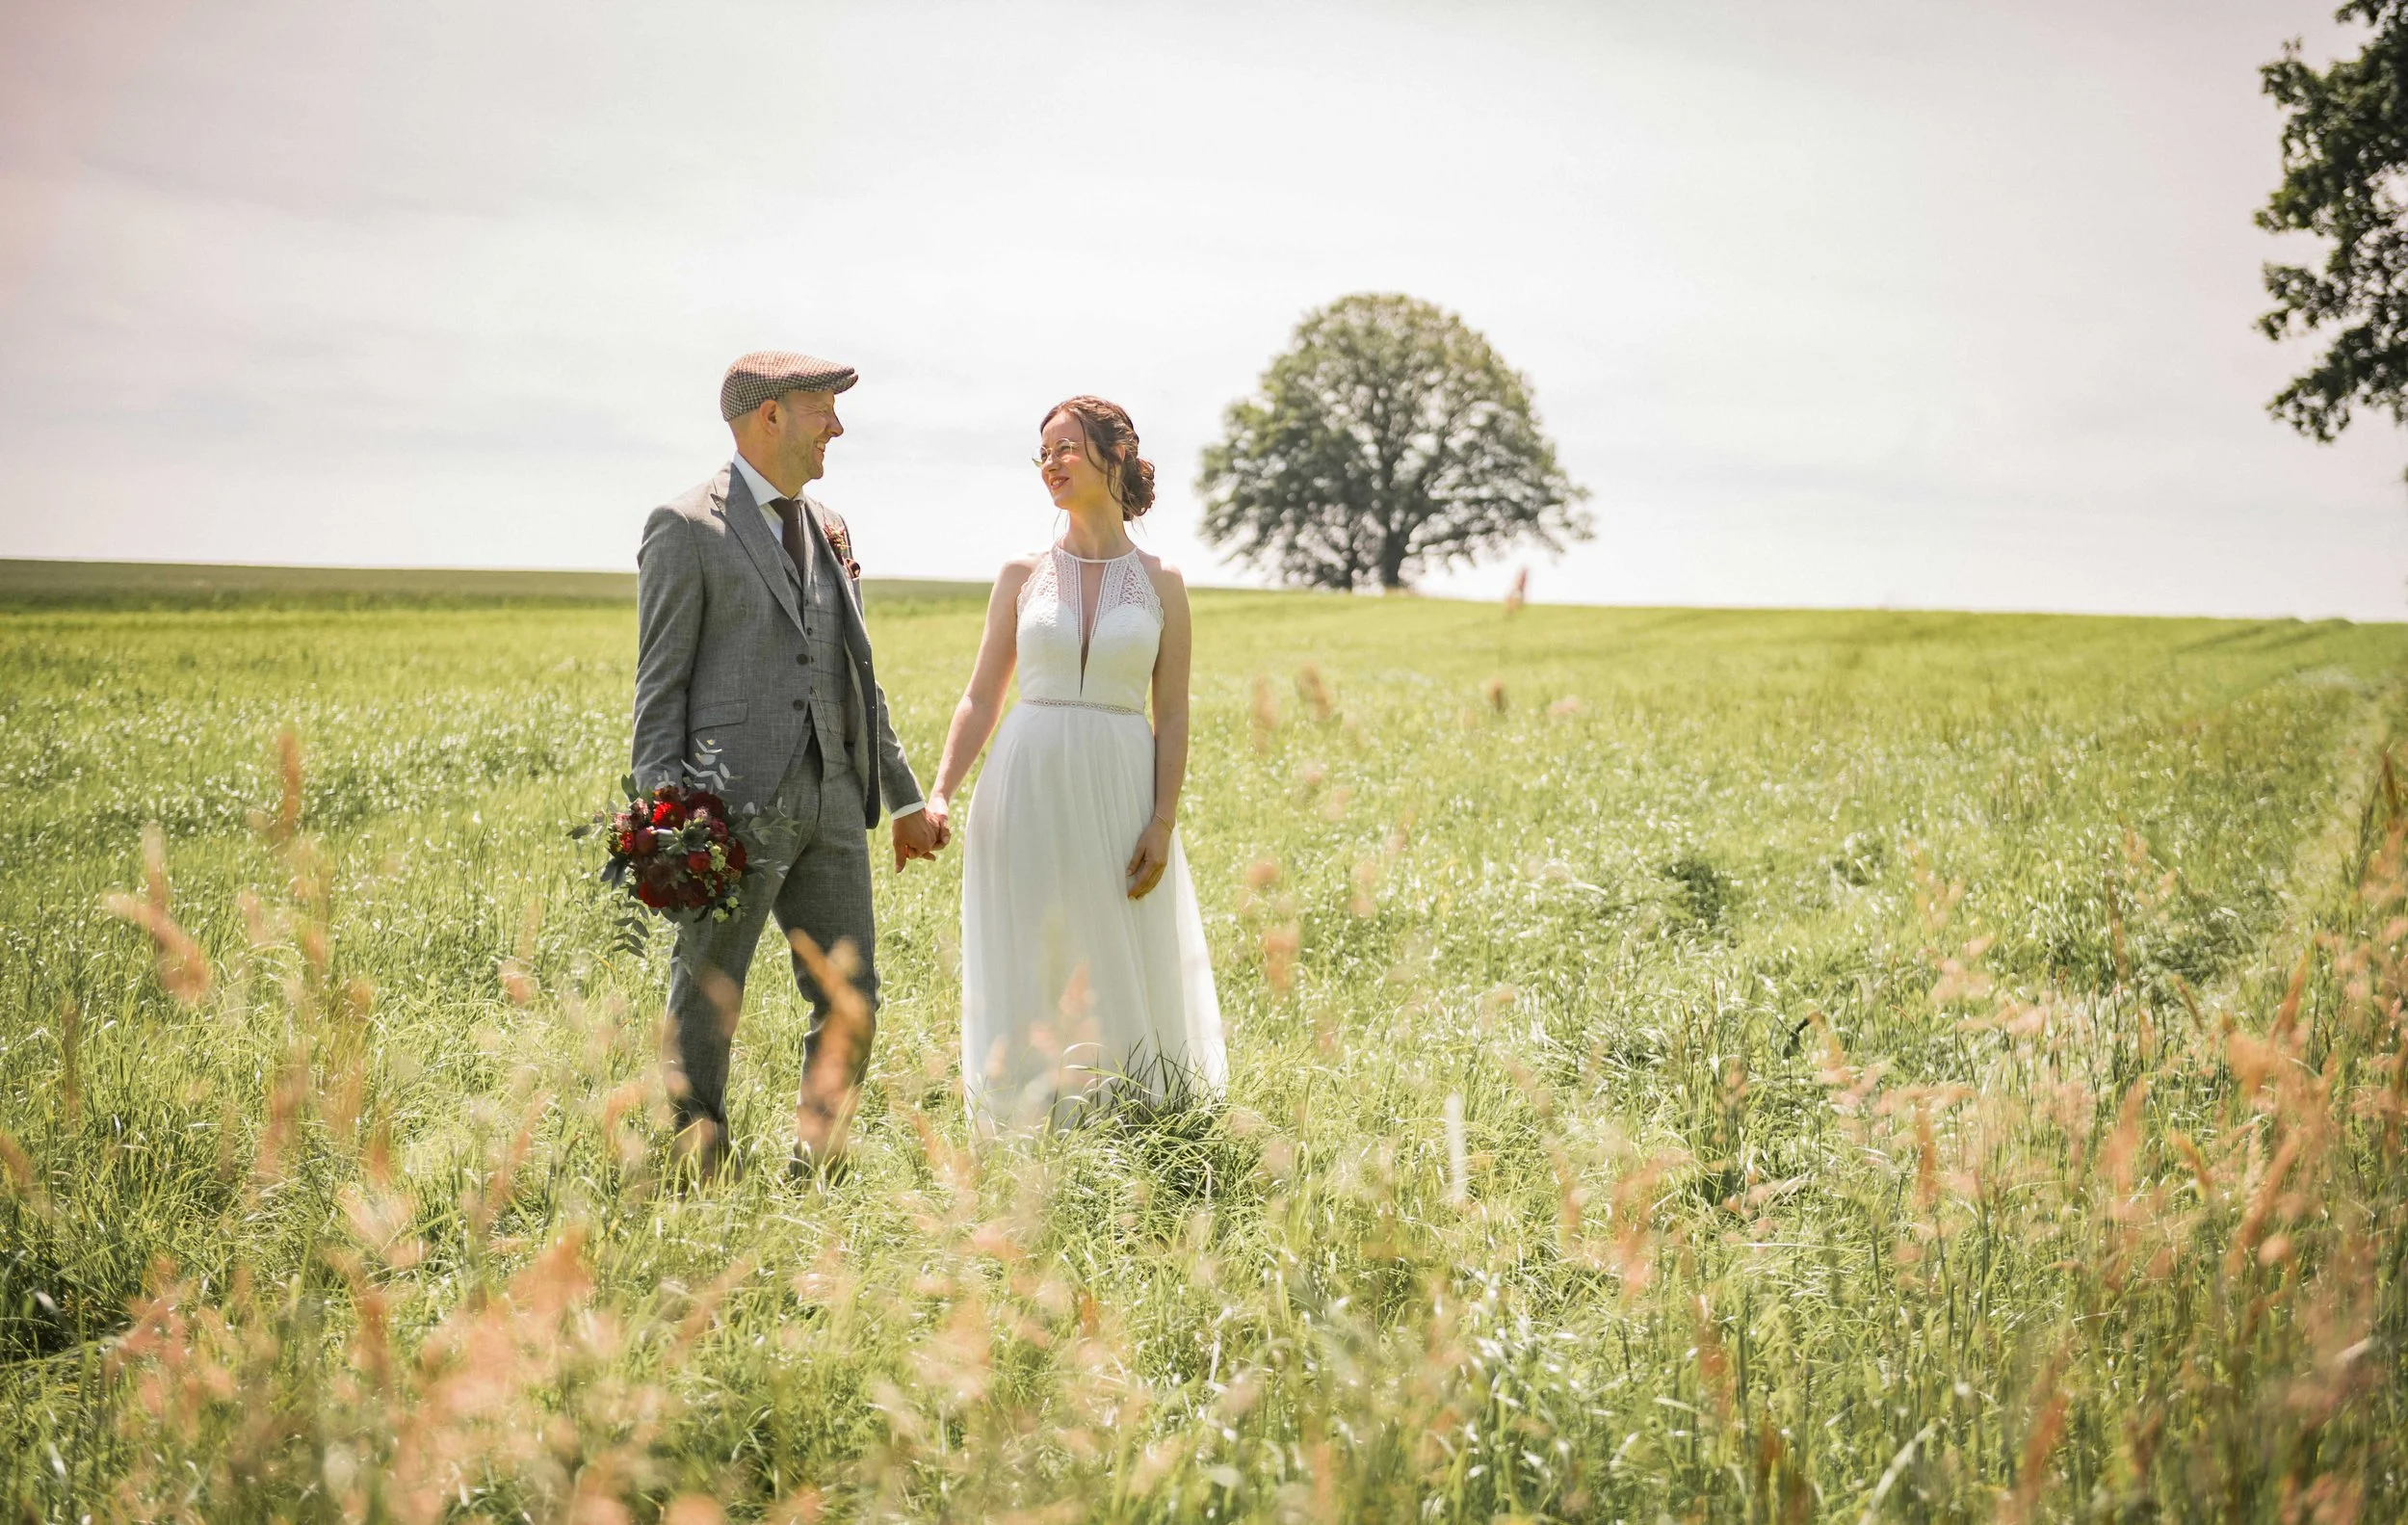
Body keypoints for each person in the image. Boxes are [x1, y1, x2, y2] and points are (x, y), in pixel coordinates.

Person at [631, 350, 948, 1180]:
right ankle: (695, 1164)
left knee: (852, 997)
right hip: (726, 811)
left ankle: (817, 1163)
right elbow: (658, 690)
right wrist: (669, 823)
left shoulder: (832, 526)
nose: (835, 427)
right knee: (707, 994)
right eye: (821, 409)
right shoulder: (684, 525)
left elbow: (857, 676)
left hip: (835, 799)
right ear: (769, 415)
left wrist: (905, 797)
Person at [924, 396, 1224, 1131]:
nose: (1050, 464)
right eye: (1044, 452)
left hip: (1122, 785)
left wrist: (1162, 817)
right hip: (1024, 783)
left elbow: (1174, 712)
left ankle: (1129, 1114)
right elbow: (979, 697)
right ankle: (1027, 1115)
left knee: (1117, 943)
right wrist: (938, 795)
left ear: (1113, 453)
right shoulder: (1020, 573)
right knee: (1033, 944)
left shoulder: (1163, 582)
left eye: (1065, 448)